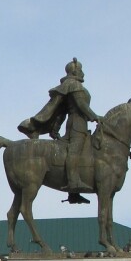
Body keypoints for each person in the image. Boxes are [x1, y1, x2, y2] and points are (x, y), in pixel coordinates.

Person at [18, 57, 103, 203]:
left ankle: (74, 194)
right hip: (77, 125)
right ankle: (73, 183)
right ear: (75, 71)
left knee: (83, 153)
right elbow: (81, 105)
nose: (83, 73)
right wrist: (95, 117)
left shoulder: (71, 86)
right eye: (81, 70)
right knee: (75, 151)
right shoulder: (73, 85)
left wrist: (55, 128)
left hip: (80, 124)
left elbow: (61, 111)